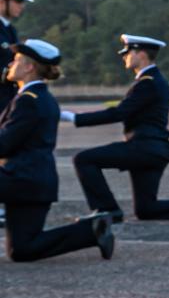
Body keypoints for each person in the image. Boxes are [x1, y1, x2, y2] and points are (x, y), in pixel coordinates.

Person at [69, 35, 169, 223]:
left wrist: (75, 118)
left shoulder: (148, 83)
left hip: (143, 148)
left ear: (142, 54)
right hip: (154, 150)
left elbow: (119, 113)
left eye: (128, 52)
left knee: (84, 159)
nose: (124, 57)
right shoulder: (154, 80)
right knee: (147, 209)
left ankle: (107, 210)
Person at [1, 39, 114, 261]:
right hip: (34, 182)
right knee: (23, 249)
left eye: (16, 61)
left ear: (29, 67)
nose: (11, 65)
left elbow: (5, 144)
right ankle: (92, 230)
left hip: (21, 178)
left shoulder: (28, 100)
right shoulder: (40, 97)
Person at [0, 0, 32, 106]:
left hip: (8, 97)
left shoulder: (9, 29)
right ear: (1, 2)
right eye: (18, 1)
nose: (22, 6)